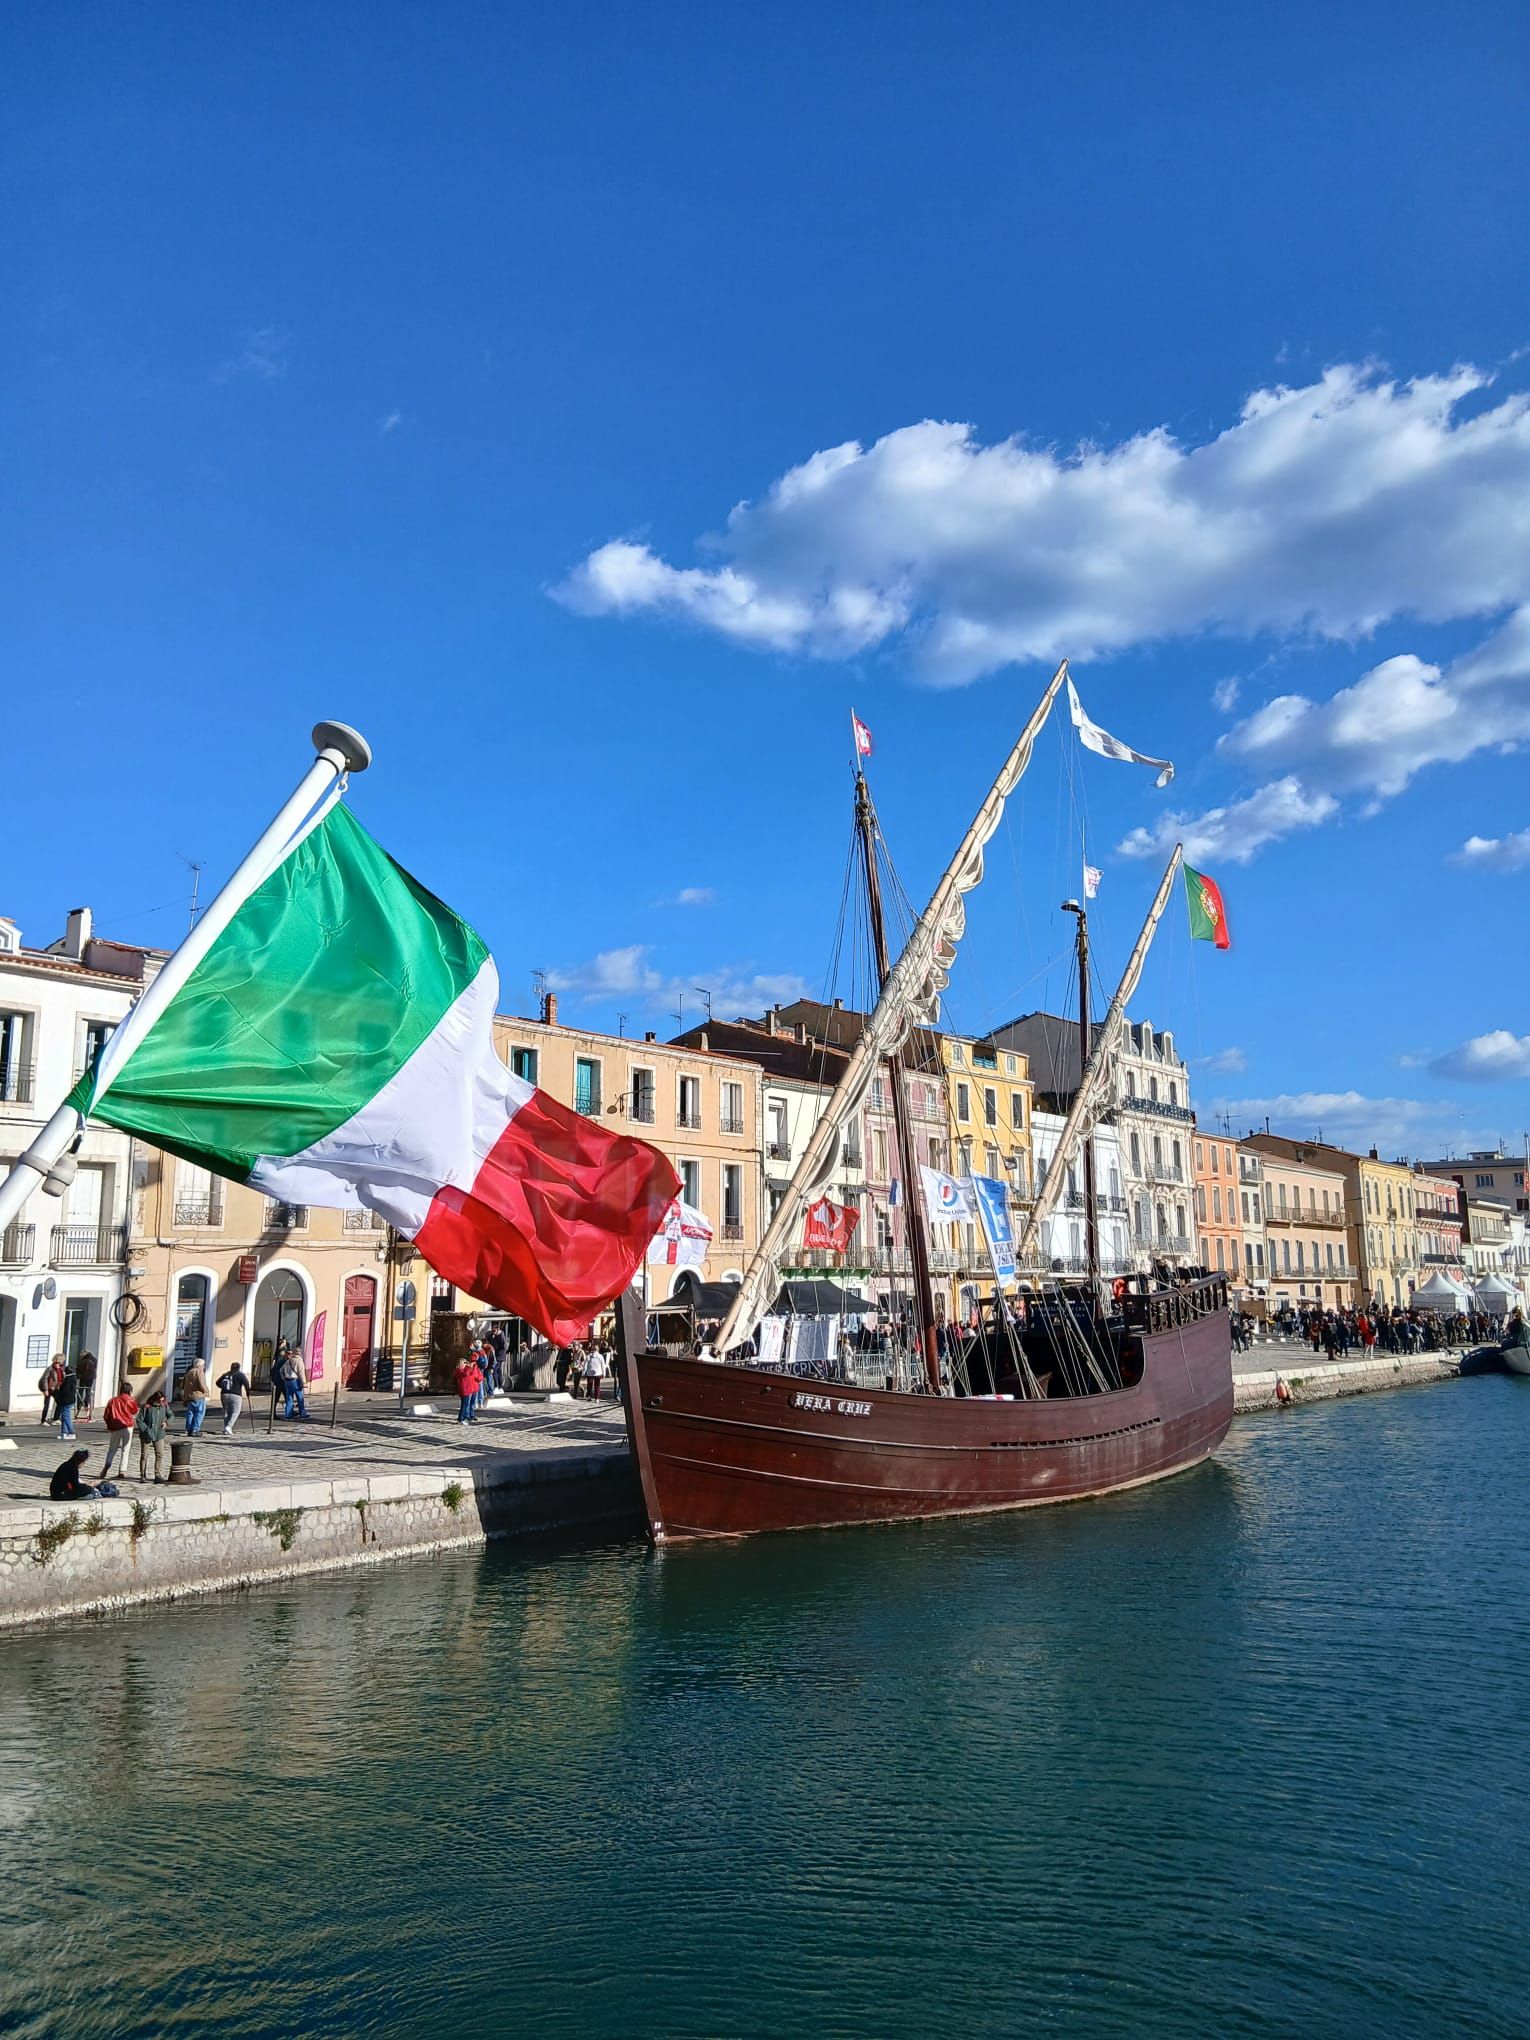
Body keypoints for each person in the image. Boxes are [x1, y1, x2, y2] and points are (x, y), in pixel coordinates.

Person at [100, 1387, 139, 1484]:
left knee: (112, 1448)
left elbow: (106, 1415)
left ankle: (108, 1463)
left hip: (115, 1427)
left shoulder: (112, 1401)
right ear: (129, 1391)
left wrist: (109, 1424)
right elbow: (134, 1411)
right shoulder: (130, 1400)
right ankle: (122, 1470)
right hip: (127, 1426)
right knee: (126, 1449)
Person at [134, 1391, 171, 1483]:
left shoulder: (164, 1406)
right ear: (155, 1400)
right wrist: (146, 1429)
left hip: (159, 1433)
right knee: (144, 1455)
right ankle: (142, 1475)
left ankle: (157, 1474)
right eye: (159, 1401)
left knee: (159, 1454)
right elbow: (139, 1420)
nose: (161, 1403)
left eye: (163, 1401)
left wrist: (166, 1422)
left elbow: (171, 1415)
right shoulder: (147, 1407)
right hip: (146, 1434)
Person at [217, 1362, 251, 1435]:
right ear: (239, 1368)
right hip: (236, 1394)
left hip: (224, 1394)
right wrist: (248, 1392)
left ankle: (226, 1428)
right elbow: (246, 1383)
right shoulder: (240, 1375)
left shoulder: (226, 1374)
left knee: (226, 1411)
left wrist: (223, 1387)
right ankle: (229, 1426)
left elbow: (217, 1382)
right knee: (236, 1411)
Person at [181, 1358, 210, 1435]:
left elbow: (182, 1385)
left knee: (190, 1413)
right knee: (199, 1412)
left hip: (189, 1396)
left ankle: (189, 1429)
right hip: (198, 1395)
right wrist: (206, 1392)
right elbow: (202, 1384)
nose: (204, 1367)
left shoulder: (189, 1372)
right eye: (203, 1365)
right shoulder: (199, 1372)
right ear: (200, 1366)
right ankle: (195, 1429)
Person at [454, 1351, 483, 1425]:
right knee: (464, 1405)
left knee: (467, 1404)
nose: (465, 1365)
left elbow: (475, 1374)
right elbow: (466, 1374)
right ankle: (461, 1419)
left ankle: (464, 1417)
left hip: (469, 1389)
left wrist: (472, 1367)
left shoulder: (466, 1369)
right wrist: (470, 1367)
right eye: (464, 1363)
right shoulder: (458, 1371)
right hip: (464, 1390)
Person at [55, 1361, 80, 1440]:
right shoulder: (71, 1378)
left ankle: (71, 1432)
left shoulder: (69, 1379)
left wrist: (58, 1393)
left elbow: (65, 1391)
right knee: (64, 1416)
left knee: (66, 1417)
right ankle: (64, 1433)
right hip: (68, 1400)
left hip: (67, 1400)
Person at [38, 1354, 65, 1427]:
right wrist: (45, 1389)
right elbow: (44, 1379)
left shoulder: (61, 1368)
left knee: (60, 1402)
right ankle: (43, 1420)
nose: (63, 1361)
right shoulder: (50, 1368)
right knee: (46, 1404)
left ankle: (56, 1419)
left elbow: (61, 1378)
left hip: (56, 1388)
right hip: (49, 1388)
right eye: (62, 1359)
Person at [76, 1350, 98, 1420]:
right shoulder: (94, 1359)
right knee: (88, 1391)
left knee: (81, 1390)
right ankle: (86, 1404)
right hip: (91, 1377)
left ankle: (79, 1405)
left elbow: (79, 1369)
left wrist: (78, 1375)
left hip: (84, 1377)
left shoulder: (84, 1361)